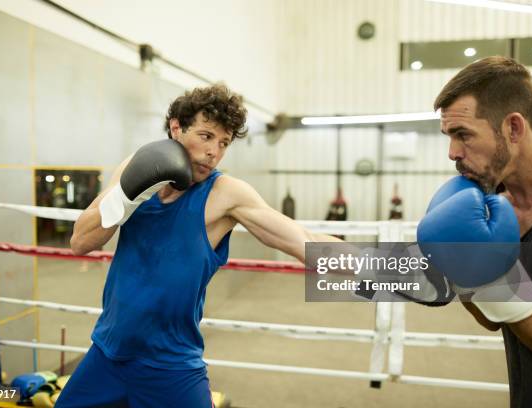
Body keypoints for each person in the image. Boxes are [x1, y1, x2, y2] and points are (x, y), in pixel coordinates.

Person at [57, 84, 340, 407]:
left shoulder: (226, 194)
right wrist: (127, 196)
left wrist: (401, 271)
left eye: (224, 143)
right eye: (206, 136)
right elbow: (80, 241)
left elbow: (306, 241)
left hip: (171, 367)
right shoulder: (136, 168)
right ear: (176, 128)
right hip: (106, 355)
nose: (214, 152)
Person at [427, 56, 532, 407]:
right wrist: (462, 269)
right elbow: (490, 319)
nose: (452, 153)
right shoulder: (491, 202)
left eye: (463, 135)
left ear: (513, 128)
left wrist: (495, 282)